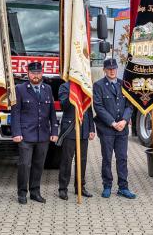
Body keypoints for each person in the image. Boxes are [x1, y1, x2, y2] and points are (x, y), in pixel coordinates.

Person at [11, 61, 58, 204]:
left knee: (38, 165)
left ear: (42, 73)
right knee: (24, 164)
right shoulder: (20, 89)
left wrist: (54, 130)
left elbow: (52, 113)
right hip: (25, 135)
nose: (36, 76)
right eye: (33, 73)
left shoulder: (48, 89)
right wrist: (16, 133)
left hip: (43, 134)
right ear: (28, 74)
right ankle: (22, 193)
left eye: (38, 73)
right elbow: (15, 113)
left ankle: (35, 192)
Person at [93, 58, 135, 199]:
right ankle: (107, 186)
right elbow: (98, 106)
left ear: (117, 69)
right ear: (104, 70)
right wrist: (112, 123)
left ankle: (123, 187)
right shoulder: (98, 85)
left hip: (122, 128)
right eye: (109, 69)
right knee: (107, 158)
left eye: (114, 68)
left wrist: (124, 120)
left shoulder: (125, 85)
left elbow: (130, 105)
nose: (112, 71)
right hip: (107, 129)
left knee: (122, 158)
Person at [57, 81, 95, 200]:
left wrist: (91, 128)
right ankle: (63, 188)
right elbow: (64, 105)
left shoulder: (85, 85)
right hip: (70, 128)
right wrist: (74, 94)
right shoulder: (64, 87)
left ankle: (80, 187)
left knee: (82, 160)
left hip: (83, 129)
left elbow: (89, 109)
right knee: (67, 160)